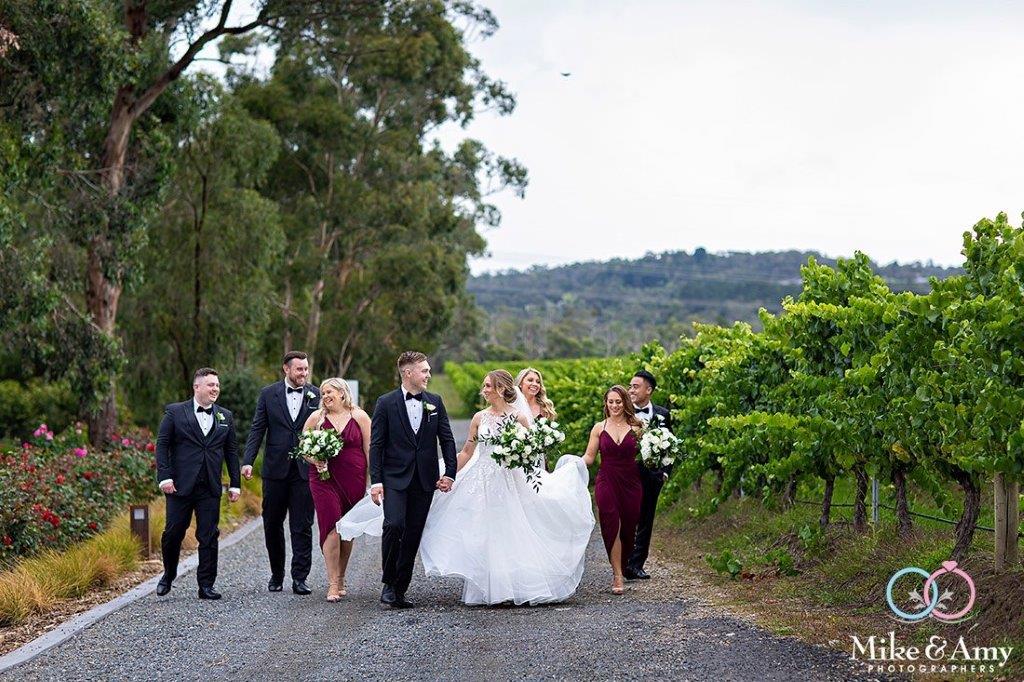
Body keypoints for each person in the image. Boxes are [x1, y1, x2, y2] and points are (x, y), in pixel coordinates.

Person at [338, 369, 593, 606]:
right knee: (482, 532)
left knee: (511, 528)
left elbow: (533, 450)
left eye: (488, 386)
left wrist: (519, 455)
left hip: (508, 479)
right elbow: (468, 451)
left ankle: (515, 585)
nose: (483, 390)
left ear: (502, 389)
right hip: (481, 479)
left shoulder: (519, 417)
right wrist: (449, 475)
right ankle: (487, 586)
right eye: (484, 385)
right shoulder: (479, 418)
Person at [368, 351, 458, 609]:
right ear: (408, 373)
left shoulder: (435, 402)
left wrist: (450, 472)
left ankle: (400, 588)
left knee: (413, 534)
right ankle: (388, 582)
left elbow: (447, 439)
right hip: (394, 477)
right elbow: (377, 444)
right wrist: (376, 481)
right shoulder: (385, 403)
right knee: (394, 524)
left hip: (424, 479)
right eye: (424, 370)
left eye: (428, 370)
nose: (429, 374)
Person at [154, 368, 240, 600]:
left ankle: (206, 585)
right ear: (197, 387)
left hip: (210, 486)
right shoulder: (175, 413)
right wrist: (165, 477)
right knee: (173, 533)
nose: (215, 389)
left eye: (217, 385)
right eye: (211, 385)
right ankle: (169, 574)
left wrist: (235, 483)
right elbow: (162, 446)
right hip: (180, 485)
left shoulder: (225, 417)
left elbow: (231, 452)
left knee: (209, 535)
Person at [242, 351, 321, 595]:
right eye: (299, 369)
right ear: (286, 369)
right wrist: (247, 461)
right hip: (275, 470)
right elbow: (258, 429)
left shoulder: (316, 394)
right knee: (272, 524)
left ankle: (300, 578)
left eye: (306, 369)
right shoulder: (268, 394)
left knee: (302, 525)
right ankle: (277, 574)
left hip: (304, 470)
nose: (304, 374)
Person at [302, 378, 370, 602]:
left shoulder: (359, 416)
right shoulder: (316, 418)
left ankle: (341, 577)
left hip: (354, 478)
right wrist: (315, 460)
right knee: (330, 526)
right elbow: (303, 449)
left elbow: (370, 450)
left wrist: (374, 481)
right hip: (323, 478)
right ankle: (332, 583)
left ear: (342, 393)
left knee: (347, 529)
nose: (325, 396)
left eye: (329, 391)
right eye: (322, 393)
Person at [582, 385, 643, 595]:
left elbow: (649, 457)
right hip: (606, 481)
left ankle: (624, 563)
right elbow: (589, 457)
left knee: (628, 528)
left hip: (631, 483)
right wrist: (574, 465)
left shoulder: (638, 427)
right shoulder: (599, 428)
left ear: (625, 402)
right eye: (611, 402)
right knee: (610, 524)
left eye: (618, 401)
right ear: (606, 404)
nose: (614, 405)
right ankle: (617, 574)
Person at [625, 370, 673, 581]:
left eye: (635, 386)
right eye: (630, 386)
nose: (631, 390)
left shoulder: (663, 414)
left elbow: (671, 445)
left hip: (652, 476)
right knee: (626, 517)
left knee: (646, 519)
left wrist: (664, 473)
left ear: (649, 390)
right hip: (627, 474)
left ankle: (636, 565)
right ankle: (623, 561)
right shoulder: (622, 412)